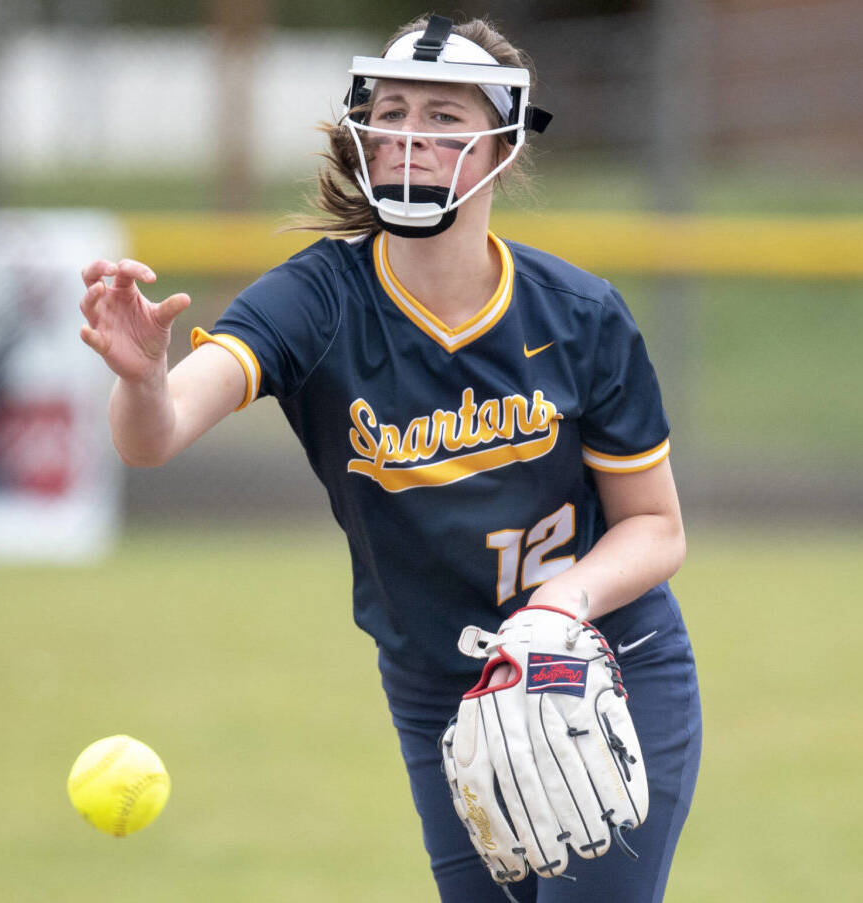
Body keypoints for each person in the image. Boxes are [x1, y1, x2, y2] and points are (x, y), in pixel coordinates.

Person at [78, 15, 701, 903]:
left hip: (603, 663)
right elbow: (156, 436)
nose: (411, 131)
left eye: (446, 117)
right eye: (394, 108)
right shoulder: (319, 296)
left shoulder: (579, 313)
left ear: (502, 145)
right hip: (441, 686)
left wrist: (555, 609)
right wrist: (142, 379)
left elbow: (656, 527)